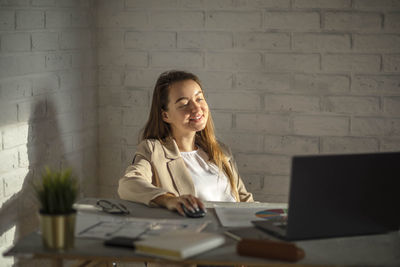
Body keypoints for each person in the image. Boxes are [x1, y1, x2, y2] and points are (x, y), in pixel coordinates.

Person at [118, 70, 253, 216]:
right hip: (199, 235)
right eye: (183, 104)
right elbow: (128, 184)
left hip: (234, 232)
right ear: (166, 115)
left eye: (199, 98)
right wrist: (168, 199)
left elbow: (244, 200)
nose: (196, 108)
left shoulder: (220, 150)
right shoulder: (153, 150)